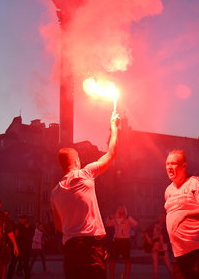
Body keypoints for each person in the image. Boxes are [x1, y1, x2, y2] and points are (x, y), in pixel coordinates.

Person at [51, 110, 120, 279]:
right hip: (90, 246)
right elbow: (111, 154)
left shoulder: (54, 193)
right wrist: (114, 127)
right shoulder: (85, 173)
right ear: (76, 161)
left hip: (70, 248)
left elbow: (59, 227)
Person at [164, 149, 199, 279]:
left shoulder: (196, 183)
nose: (169, 167)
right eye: (167, 164)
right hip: (181, 253)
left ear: (184, 166)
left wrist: (186, 215)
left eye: (173, 163)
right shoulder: (168, 191)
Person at [105, 205, 138, 279]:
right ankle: (111, 277)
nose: (121, 211)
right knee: (112, 260)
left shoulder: (128, 218)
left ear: (125, 210)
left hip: (125, 241)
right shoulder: (115, 219)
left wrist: (128, 218)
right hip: (116, 241)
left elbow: (135, 224)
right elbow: (107, 224)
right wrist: (110, 217)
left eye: (123, 209)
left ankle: (126, 277)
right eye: (119, 209)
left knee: (127, 260)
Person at [144, 214, 173, 278]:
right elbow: (146, 231)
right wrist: (149, 239)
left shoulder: (166, 225)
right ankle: (155, 277)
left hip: (163, 245)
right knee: (155, 263)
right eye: (160, 217)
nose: (161, 218)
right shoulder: (154, 224)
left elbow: (168, 236)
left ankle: (173, 276)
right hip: (155, 245)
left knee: (167, 263)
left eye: (162, 217)